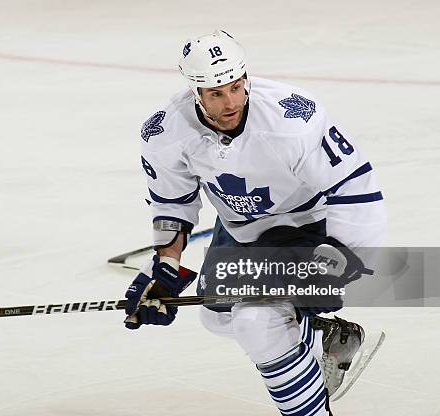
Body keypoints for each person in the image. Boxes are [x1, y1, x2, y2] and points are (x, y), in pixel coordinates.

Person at [124, 30, 386, 415]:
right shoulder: (166, 133)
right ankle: (323, 338)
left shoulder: (291, 119)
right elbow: (172, 206)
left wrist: (342, 261)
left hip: (312, 227)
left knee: (256, 324)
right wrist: (164, 265)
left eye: (236, 86)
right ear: (196, 92)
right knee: (217, 317)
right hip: (244, 230)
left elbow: (356, 190)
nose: (230, 102)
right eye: (216, 93)